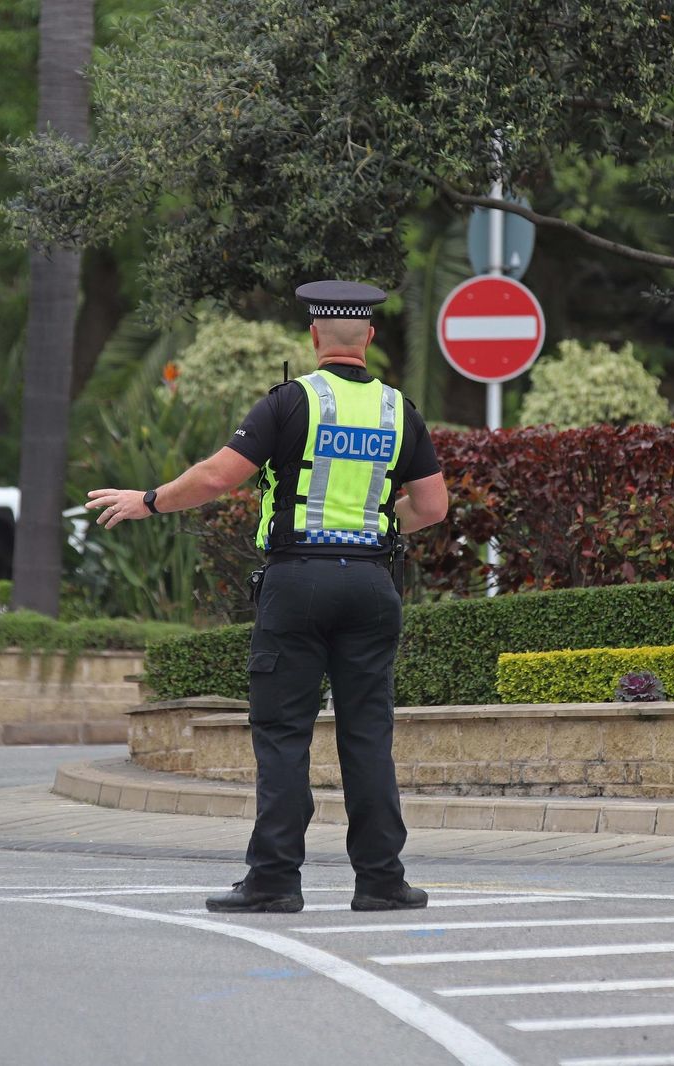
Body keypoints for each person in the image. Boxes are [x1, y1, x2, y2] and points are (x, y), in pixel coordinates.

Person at [85, 280, 449, 914]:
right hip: (371, 583)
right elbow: (433, 506)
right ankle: (382, 881)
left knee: (284, 735)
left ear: (314, 338)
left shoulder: (290, 402)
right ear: (369, 338)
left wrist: (146, 501)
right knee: (368, 735)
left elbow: (218, 476)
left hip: (298, 583)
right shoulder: (399, 410)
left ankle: (275, 881)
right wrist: (375, 526)